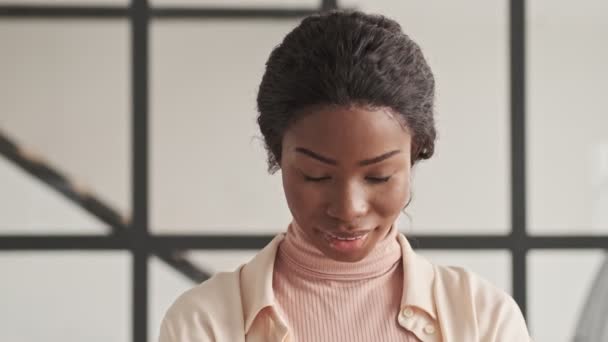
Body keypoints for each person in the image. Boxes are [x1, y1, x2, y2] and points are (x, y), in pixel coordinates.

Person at [159, 9, 532, 342]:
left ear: (415, 156)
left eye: (379, 177)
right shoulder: (201, 323)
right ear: (277, 156)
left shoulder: (484, 319)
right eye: (316, 176)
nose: (348, 209)